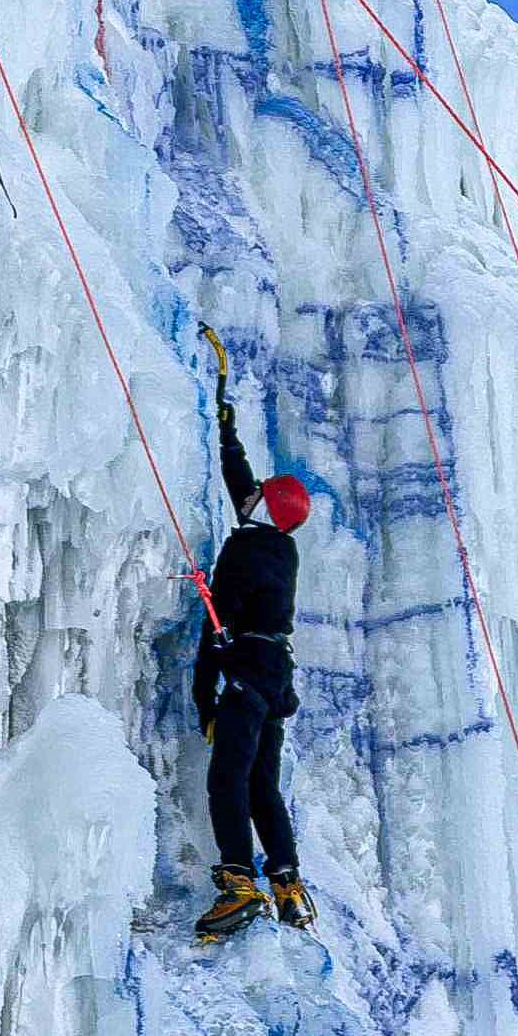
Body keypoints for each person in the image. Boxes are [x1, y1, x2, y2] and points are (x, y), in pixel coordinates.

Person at [192, 397, 317, 939]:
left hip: (246, 670)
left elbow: (217, 621)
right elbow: (242, 487)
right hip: (274, 673)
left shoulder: (246, 551)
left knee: (229, 778)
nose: (251, 496)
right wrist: (228, 432)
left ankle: (240, 883)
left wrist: (204, 697)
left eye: (259, 495)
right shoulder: (280, 547)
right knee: (263, 782)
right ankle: (288, 884)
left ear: (265, 508)